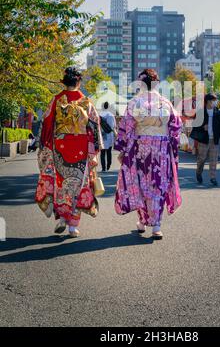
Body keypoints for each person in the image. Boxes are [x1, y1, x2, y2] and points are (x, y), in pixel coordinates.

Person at [35, 67, 103, 238]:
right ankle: (73, 225)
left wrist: (44, 145)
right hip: (80, 147)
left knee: (61, 183)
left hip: (60, 146)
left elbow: (47, 124)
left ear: (64, 82)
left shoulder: (56, 100)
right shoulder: (86, 101)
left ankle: (63, 218)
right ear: (79, 82)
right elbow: (95, 125)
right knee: (78, 185)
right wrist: (95, 148)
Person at [114, 68, 182, 240]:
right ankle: (156, 225)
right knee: (158, 184)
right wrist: (173, 149)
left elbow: (127, 127)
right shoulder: (166, 103)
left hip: (140, 149)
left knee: (141, 185)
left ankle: (143, 221)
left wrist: (123, 150)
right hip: (161, 150)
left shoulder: (135, 103)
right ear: (157, 83)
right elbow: (176, 127)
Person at [192, 93, 220, 186]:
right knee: (202, 159)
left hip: (214, 140)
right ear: (208, 101)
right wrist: (202, 127)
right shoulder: (201, 112)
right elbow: (195, 125)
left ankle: (213, 177)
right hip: (204, 139)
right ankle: (198, 172)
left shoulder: (218, 112)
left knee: (213, 160)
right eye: (214, 100)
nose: (215, 102)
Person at [99, 102, 116, 172]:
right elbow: (113, 126)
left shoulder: (99, 115)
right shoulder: (111, 115)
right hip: (109, 135)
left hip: (102, 135)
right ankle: (108, 165)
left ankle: (103, 168)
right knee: (109, 151)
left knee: (102, 153)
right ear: (108, 107)